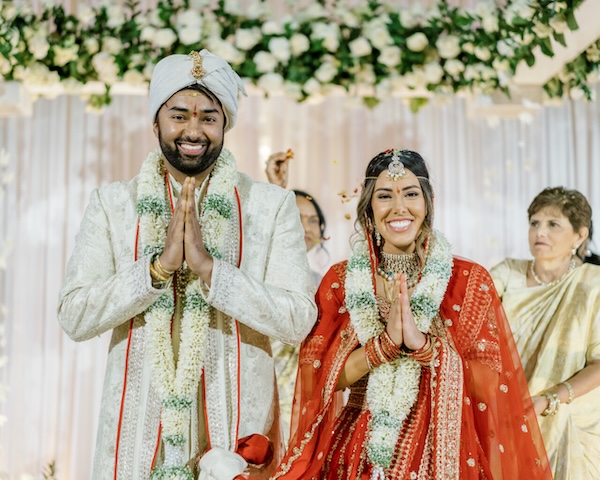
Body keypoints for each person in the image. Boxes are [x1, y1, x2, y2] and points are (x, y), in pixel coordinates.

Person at [57, 49, 317, 480]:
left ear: (225, 125)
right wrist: (156, 270)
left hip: (235, 439)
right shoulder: (114, 205)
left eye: (209, 118)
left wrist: (211, 270)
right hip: (136, 437)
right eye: (179, 115)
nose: (193, 130)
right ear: (155, 121)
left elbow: (298, 320)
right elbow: (74, 315)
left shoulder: (269, 207)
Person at [272, 149, 552, 479]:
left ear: (429, 200)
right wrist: (383, 347)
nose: (399, 207)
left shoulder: (468, 281)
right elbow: (318, 376)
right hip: (357, 451)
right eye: (385, 196)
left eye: (411, 194)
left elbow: (491, 385)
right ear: (369, 206)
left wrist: (425, 347)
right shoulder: (341, 281)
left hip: (446, 451)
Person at [490, 186, 600, 479]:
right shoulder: (508, 273)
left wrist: (549, 400)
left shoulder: (594, 283)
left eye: (553, 224)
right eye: (535, 223)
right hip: (510, 415)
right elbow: (471, 308)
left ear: (580, 235)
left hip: (571, 423)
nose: (541, 232)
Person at [264, 150, 328, 443]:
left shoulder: (324, 284)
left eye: (312, 220)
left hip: (309, 388)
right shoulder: (265, 269)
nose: (305, 227)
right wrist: (277, 191)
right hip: (267, 379)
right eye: (297, 217)